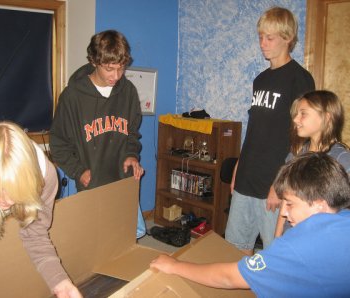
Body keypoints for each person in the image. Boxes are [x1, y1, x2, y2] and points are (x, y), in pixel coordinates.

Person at [150, 152, 350, 297]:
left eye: (290, 204)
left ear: (319, 205)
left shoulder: (297, 247)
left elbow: (230, 278)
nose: (285, 212)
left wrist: (175, 266)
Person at [0, 122, 82, 298]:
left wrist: (61, 284)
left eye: (14, 192)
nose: (5, 202)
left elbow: (36, 235)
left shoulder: (46, 177)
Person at [225, 6, 315, 255]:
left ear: (287, 38)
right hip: (247, 176)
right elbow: (255, 130)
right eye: (260, 36)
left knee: (275, 254)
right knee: (236, 248)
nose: (262, 43)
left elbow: (302, 140)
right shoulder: (260, 80)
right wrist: (237, 168)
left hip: (273, 182)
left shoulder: (301, 79)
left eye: (270, 37)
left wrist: (281, 184)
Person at [49, 30, 145, 237]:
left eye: (121, 68)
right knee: (93, 241)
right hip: (91, 182)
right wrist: (77, 170)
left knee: (125, 237)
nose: (116, 76)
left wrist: (131, 155)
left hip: (121, 178)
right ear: (94, 61)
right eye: (110, 69)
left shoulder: (128, 91)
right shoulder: (72, 97)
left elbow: (132, 133)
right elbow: (58, 143)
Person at [274, 90, 350, 237]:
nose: (296, 119)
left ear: (327, 117)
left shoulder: (342, 159)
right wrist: (277, 238)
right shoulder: (297, 153)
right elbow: (286, 202)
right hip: (292, 237)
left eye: (303, 113)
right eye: (296, 114)